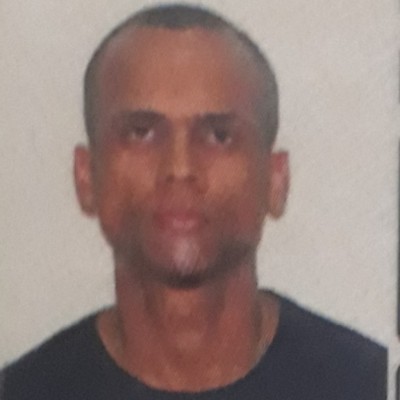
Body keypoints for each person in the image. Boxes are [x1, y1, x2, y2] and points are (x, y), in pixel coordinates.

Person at [1, 4, 387, 399]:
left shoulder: (370, 385)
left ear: (275, 179)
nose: (180, 168)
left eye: (219, 136)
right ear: (86, 177)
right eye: (141, 132)